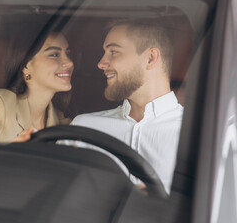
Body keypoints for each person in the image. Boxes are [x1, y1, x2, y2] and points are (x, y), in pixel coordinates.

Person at [59, 19, 183, 194]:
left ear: (150, 58)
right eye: (105, 52)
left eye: (113, 51)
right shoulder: (83, 128)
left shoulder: (199, 137)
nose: (101, 64)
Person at [0, 28, 74, 147]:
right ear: (26, 65)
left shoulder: (63, 123)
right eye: (54, 55)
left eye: (68, 53)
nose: (70, 62)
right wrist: (9, 155)